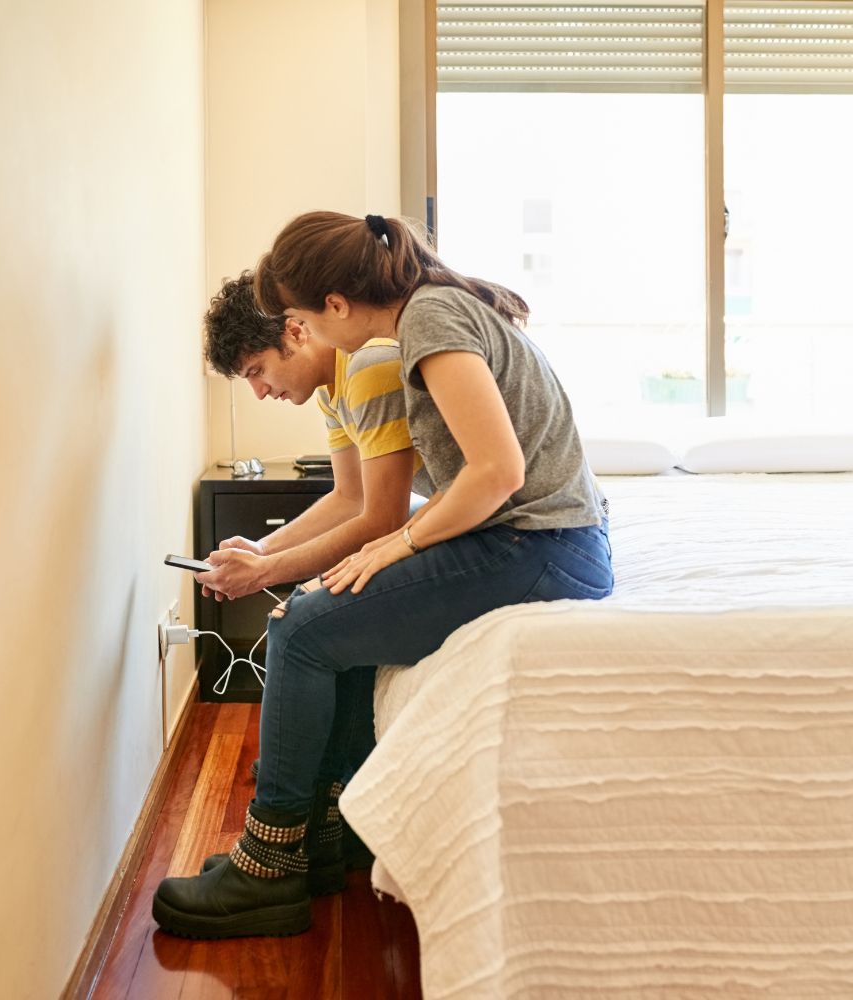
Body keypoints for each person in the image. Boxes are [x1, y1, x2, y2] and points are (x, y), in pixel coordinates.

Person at [152, 212, 613, 940]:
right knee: (318, 618)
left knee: (303, 630)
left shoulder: (428, 320)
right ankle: (324, 841)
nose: (298, 333)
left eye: (297, 317)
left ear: (331, 307)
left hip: (543, 545)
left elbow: (498, 473)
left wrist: (396, 546)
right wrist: (361, 551)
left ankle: (267, 868)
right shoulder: (422, 319)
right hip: (533, 539)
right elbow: (365, 501)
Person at [198, 271, 429, 600]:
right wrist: (262, 549)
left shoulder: (368, 366)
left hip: (494, 520)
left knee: (292, 626)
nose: (259, 392)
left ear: (294, 331)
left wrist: (265, 570)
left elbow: (383, 521)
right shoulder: (329, 392)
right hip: (450, 510)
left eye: (257, 371)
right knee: (300, 609)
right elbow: (351, 497)